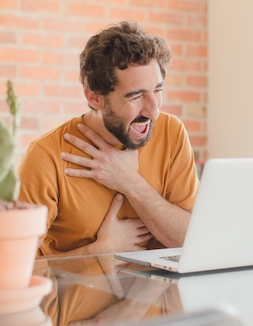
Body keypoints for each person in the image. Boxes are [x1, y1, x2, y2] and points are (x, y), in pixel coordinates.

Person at [18, 21, 200, 257]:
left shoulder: (171, 132)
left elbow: (192, 241)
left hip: (158, 294)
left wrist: (129, 182)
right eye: (136, 96)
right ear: (95, 98)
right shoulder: (47, 156)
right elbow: (11, 271)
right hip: (77, 294)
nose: (153, 111)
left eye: (157, 90)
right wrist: (100, 252)